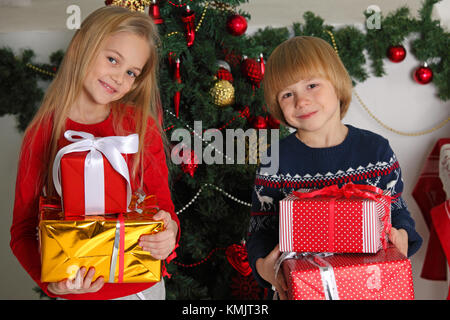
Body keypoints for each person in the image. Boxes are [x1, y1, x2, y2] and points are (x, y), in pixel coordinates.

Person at [10, 6, 180, 300]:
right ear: (80, 47)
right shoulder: (44, 132)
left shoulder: (142, 127)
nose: (119, 77)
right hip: (77, 293)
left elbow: (164, 211)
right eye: (112, 59)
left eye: (131, 72)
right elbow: (23, 231)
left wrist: (169, 235)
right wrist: (51, 283)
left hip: (142, 290)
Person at [246, 36, 422, 300]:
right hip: (301, 290)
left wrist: (403, 234)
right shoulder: (276, 159)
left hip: (370, 287)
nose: (302, 101)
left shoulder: (375, 151)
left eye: (312, 85)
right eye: (287, 94)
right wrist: (264, 266)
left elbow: (396, 209)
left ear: (337, 84)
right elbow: (260, 229)